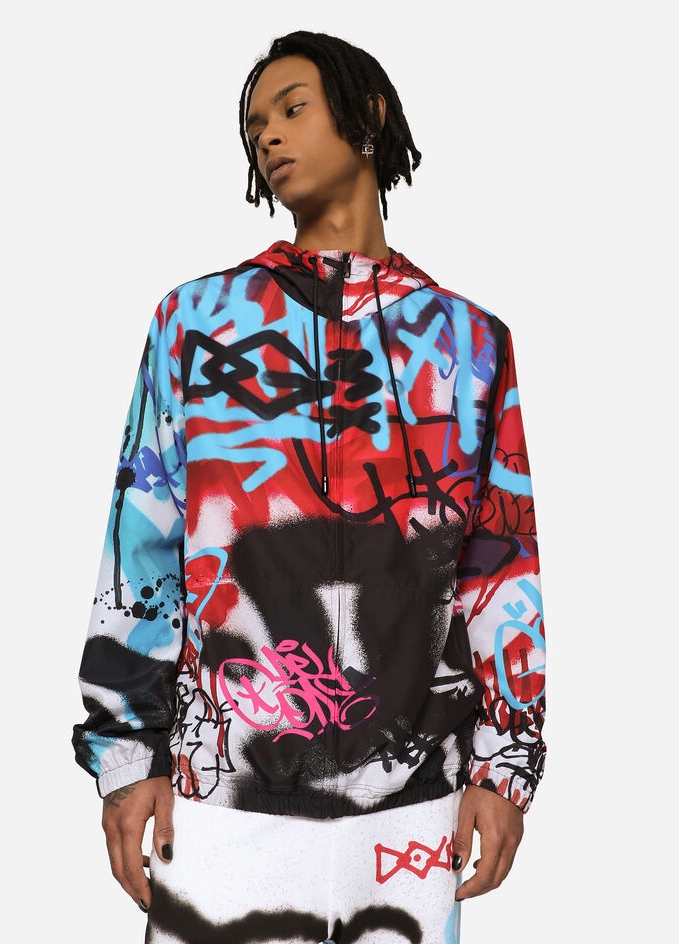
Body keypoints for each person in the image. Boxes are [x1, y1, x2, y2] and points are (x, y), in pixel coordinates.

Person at [72, 29, 546, 944]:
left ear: (367, 115)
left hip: (414, 800)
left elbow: (500, 566)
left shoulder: (470, 343)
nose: (270, 137)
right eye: (256, 127)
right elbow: (143, 545)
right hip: (223, 793)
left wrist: (505, 766)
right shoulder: (196, 321)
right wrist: (127, 759)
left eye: (293, 109)